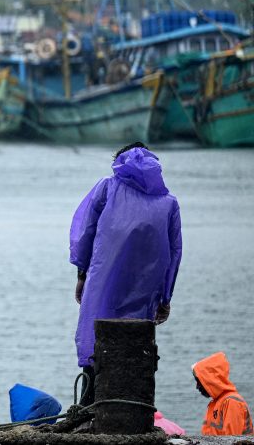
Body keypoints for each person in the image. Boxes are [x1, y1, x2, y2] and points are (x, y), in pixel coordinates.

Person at [68, 142, 181, 404]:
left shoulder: (107, 188)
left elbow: (84, 232)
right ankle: (129, 410)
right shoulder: (168, 204)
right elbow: (174, 253)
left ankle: (88, 409)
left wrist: (82, 274)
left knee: (97, 343)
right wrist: (165, 297)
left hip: (103, 286)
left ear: (119, 165)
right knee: (132, 352)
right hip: (143, 295)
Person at [194, 352, 253, 436]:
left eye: (199, 381)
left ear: (209, 380)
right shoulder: (216, 403)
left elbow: (232, 441)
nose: (197, 387)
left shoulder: (231, 402)